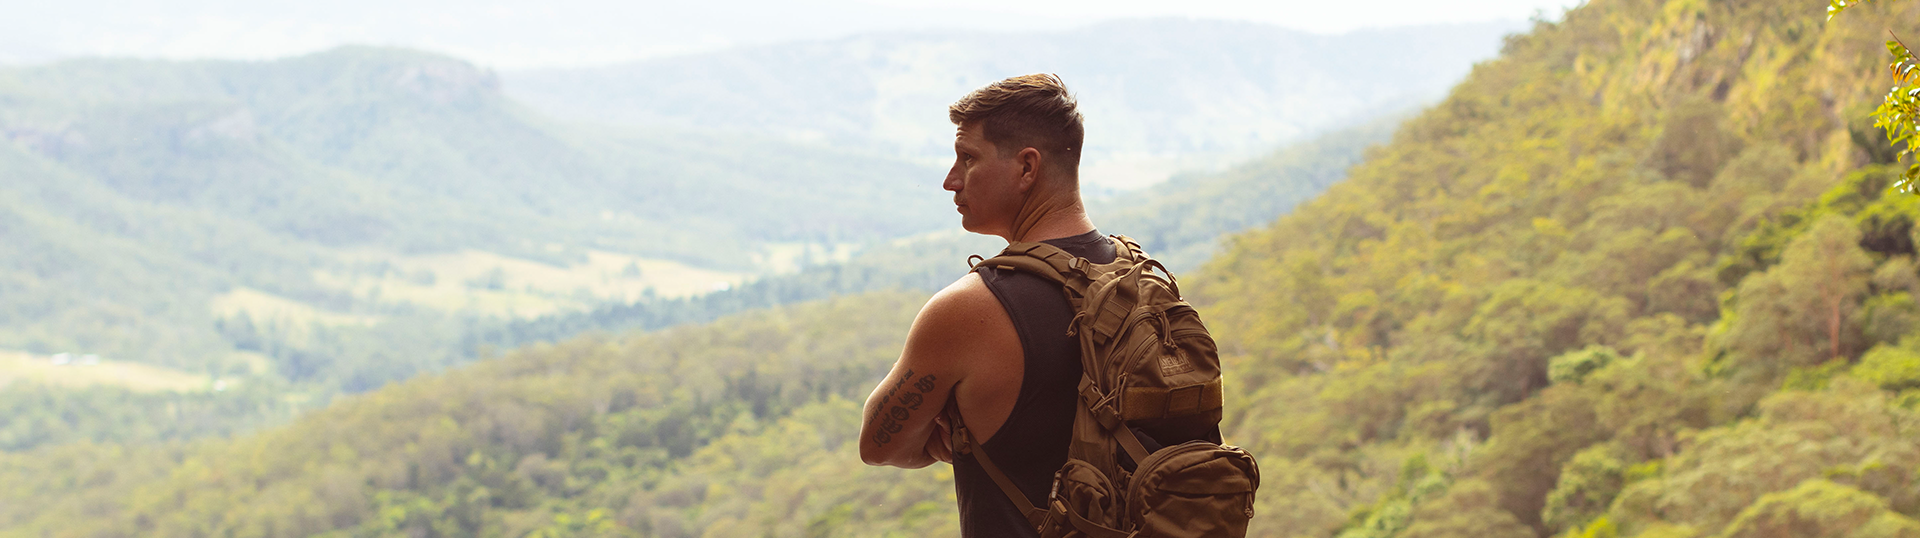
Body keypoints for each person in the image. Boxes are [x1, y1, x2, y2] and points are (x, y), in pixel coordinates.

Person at [858, 73, 1110, 537]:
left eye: (967, 158)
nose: (950, 181)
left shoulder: (971, 308)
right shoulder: (1140, 279)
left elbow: (880, 446)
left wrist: (951, 434)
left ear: (1026, 168)